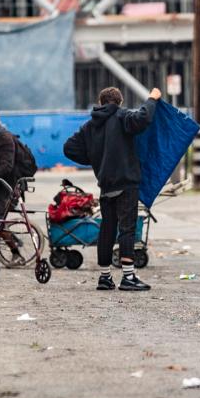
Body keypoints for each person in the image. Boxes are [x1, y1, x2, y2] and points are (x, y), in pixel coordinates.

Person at [64, 86, 159, 292]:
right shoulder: (122, 116)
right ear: (119, 102)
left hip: (106, 185)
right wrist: (152, 98)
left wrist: (95, 159)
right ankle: (128, 277)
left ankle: (105, 277)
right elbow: (143, 118)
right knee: (127, 228)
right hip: (126, 183)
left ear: (101, 102)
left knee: (107, 229)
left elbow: (68, 147)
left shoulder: (90, 126)